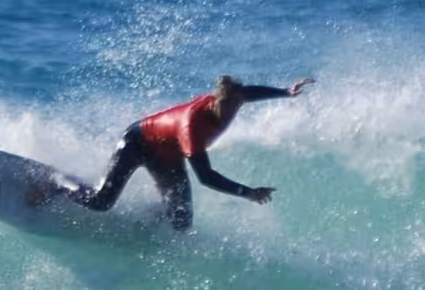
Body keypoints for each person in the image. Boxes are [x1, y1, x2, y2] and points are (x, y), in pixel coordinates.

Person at [61, 75, 314, 230]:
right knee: (101, 201)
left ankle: (142, 219)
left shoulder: (234, 97)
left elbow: (250, 92)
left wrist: (285, 92)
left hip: (166, 156)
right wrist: (247, 193)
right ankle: (57, 184)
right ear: (215, 101)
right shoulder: (191, 125)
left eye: (236, 105)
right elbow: (205, 177)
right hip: (137, 142)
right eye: (225, 107)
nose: (229, 113)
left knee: (181, 221)